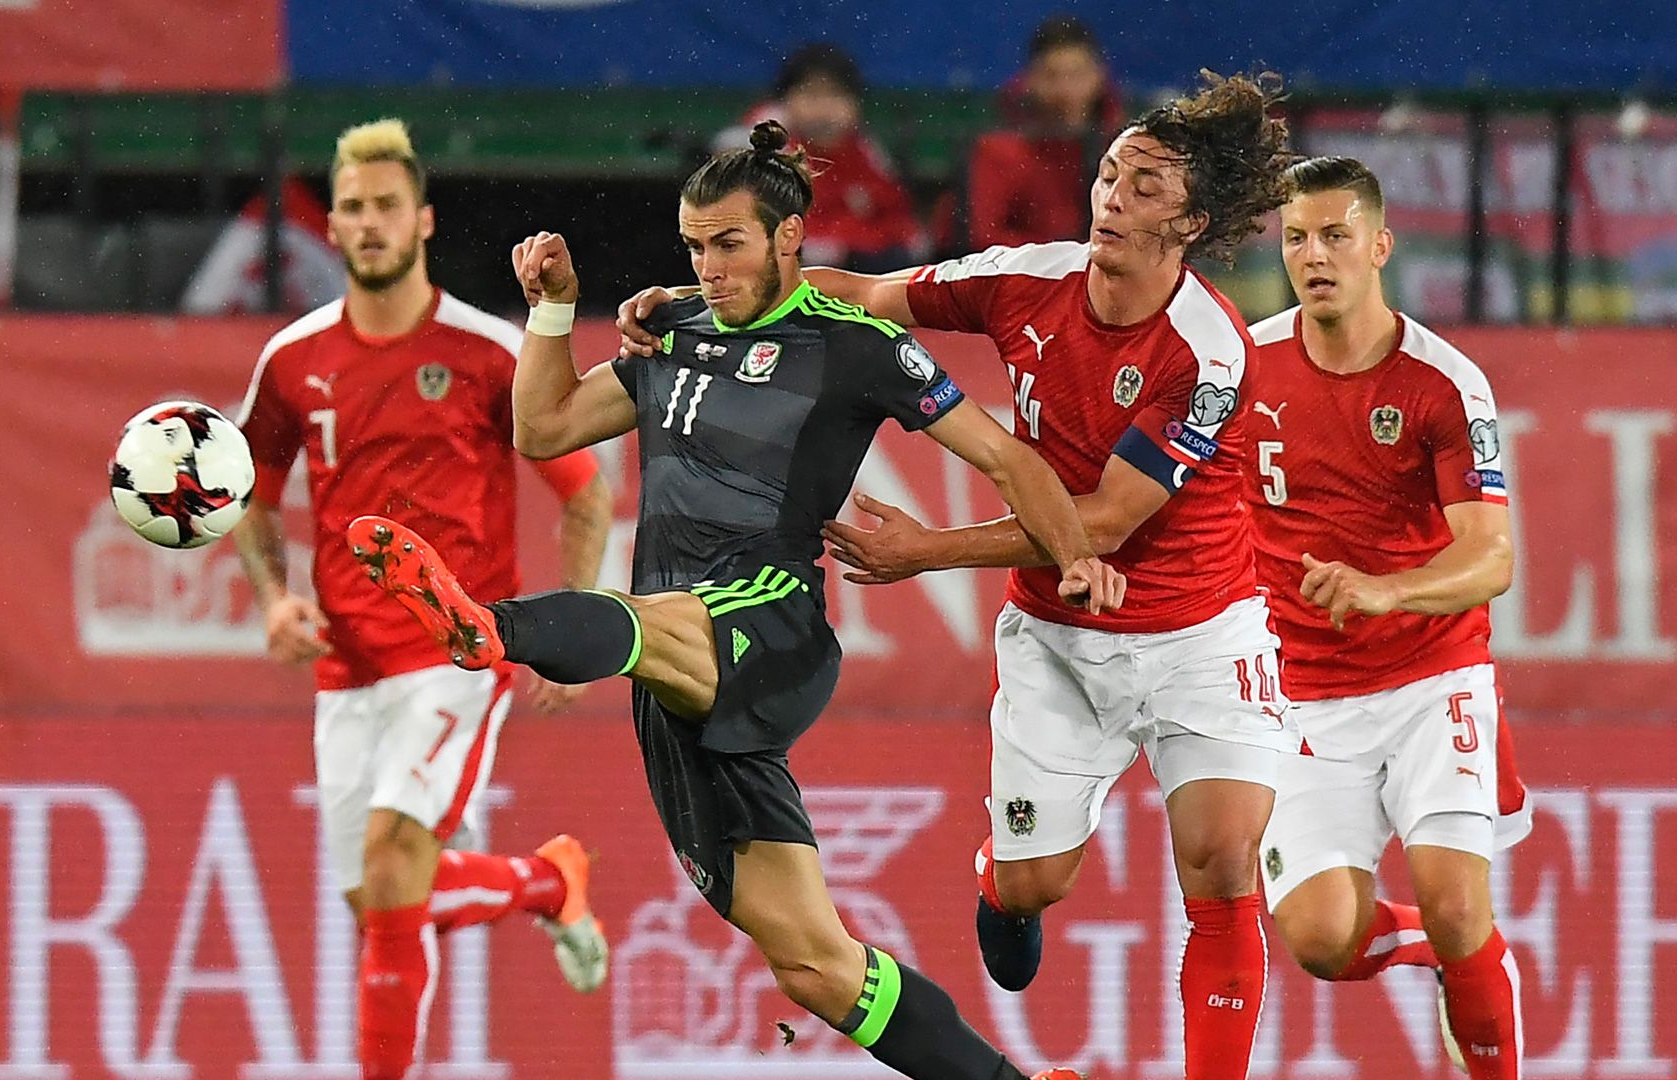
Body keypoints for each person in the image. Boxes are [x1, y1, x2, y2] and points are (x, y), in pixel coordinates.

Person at [350, 120, 1117, 1080]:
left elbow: (1005, 457)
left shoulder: (860, 346)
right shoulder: (672, 332)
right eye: (695, 247)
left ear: (789, 235)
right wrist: (555, 311)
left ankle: (486, 624)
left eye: (730, 243)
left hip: (771, 620)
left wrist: (1075, 555)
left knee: (650, 622)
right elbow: (544, 429)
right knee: (814, 965)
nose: (708, 267)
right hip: (672, 674)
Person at [621, 69, 1298, 1080]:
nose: (1112, 196)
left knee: (1222, 858)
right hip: (1061, 643)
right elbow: (866, 296)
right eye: (1110, 175)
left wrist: (924, 550)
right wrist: (700, 302)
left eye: (1145, 187)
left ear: (1191, 221)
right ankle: (1001, 882)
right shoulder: (1030, 278)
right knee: (1034, 884)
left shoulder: (1210, 355)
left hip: (1203, 635)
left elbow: (1104, 523)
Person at [229, 118, 615, 1080]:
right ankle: (543, 880)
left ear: (424, 219)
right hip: (345, 669)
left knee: (398, 866)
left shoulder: (488, 353)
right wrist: (275, 599)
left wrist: (569, 632)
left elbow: (586, 492)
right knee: (382, 907)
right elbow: (250, 492)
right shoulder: (291, 359)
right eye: (351, 208)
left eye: (385, 207)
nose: (367, 225)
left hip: (456, 651)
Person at [1243, 155, 1528, 1080]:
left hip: (1430, 677)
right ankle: (1453, 961)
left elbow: (1493, 557)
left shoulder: (1445, 382)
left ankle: (1472, 967)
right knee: (1322, 942)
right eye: (1296, 238)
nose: (1314, 255)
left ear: (1379, 245)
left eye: (1334, 236)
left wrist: (1388, 589)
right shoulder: (1242, 367)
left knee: (1457, 904)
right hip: (1301, 698)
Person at [719, 43, 927, 272]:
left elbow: (894, 212)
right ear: (785, 100)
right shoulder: (763, 147)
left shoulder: (863, 149)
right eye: (811, 95)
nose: (824, 109)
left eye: (835, 96)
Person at [966, 15, 1125, 250]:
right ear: (1029, 80)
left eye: (1076, 75)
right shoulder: (998, 151)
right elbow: (985, 239)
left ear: (1098, 77)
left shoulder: (1121, 149)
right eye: (1051, 75)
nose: (1065, 91)